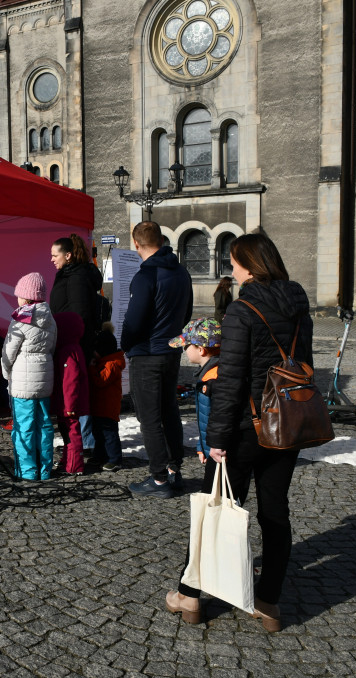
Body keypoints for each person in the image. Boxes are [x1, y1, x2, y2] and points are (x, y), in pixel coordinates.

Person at [165, 232, 312, 633]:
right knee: (275, 511)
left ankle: (190, 595)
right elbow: (303, 365)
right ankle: (268, 601)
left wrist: (216, 438)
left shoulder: (242, 309)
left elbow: (229, 379)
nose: (232, 269)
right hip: (286, 420)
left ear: (249, 266)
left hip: (245, 427)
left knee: (215, 509)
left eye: (234, 263)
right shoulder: (299, 305)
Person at [120, 221, 193, 498]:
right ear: (161, 241)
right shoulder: (181, 272)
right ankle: (174, 470)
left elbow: (134, 321)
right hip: (171, 350)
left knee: (149, 418)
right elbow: (187, 312)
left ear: (136, 244)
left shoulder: (145, 275)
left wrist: (127, 344)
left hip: (148, 353)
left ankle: (159, 478)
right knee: (169, 411)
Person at [49, 234, 103, 458]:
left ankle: (85, 442)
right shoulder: (69, 274)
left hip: (75, 345)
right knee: (73, 393)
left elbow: (80, 315)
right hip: (69, 344)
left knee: (77, 394)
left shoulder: (76, 277)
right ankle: (80, 441)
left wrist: (80, 348)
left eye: (55, 255)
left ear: (68, 255)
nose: (52, 259)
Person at [1, 272, 57, 481]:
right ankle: (45, 470)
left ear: (26, 297)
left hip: (22, 383)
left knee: (23, 427)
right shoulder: (50, 319)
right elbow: (52, 348)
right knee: (44, 425)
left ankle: (27, 472)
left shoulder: (20, 319)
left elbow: (8, 353)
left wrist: (6, 373)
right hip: (45, 379)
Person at [169, 318, 222, 465]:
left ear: (201, 350)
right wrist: (202, 446)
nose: (184, 350)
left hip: (219, 450)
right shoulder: (207, 374)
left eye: (186, 346)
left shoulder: (214, 379)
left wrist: (214, 445)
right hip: (212, 447)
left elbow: (220, 420)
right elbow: (205, 419)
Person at [51, 311, 89, 475]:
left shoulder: (67, 351)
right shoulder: (73, 348)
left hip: (69, 404)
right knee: (67, 432)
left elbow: (70, 381)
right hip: (68, 402)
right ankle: (68, 460)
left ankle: (74, 465)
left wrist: (69, 405)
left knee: (71, 432)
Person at [88, 327, 126, 472]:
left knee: (109, 434)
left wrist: (91, 369)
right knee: (98, 433)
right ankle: (100, 456)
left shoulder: (112, 363)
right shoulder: (105, 362)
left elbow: (101, 381)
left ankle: (114, 459)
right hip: (99, 406)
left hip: (108, 407)